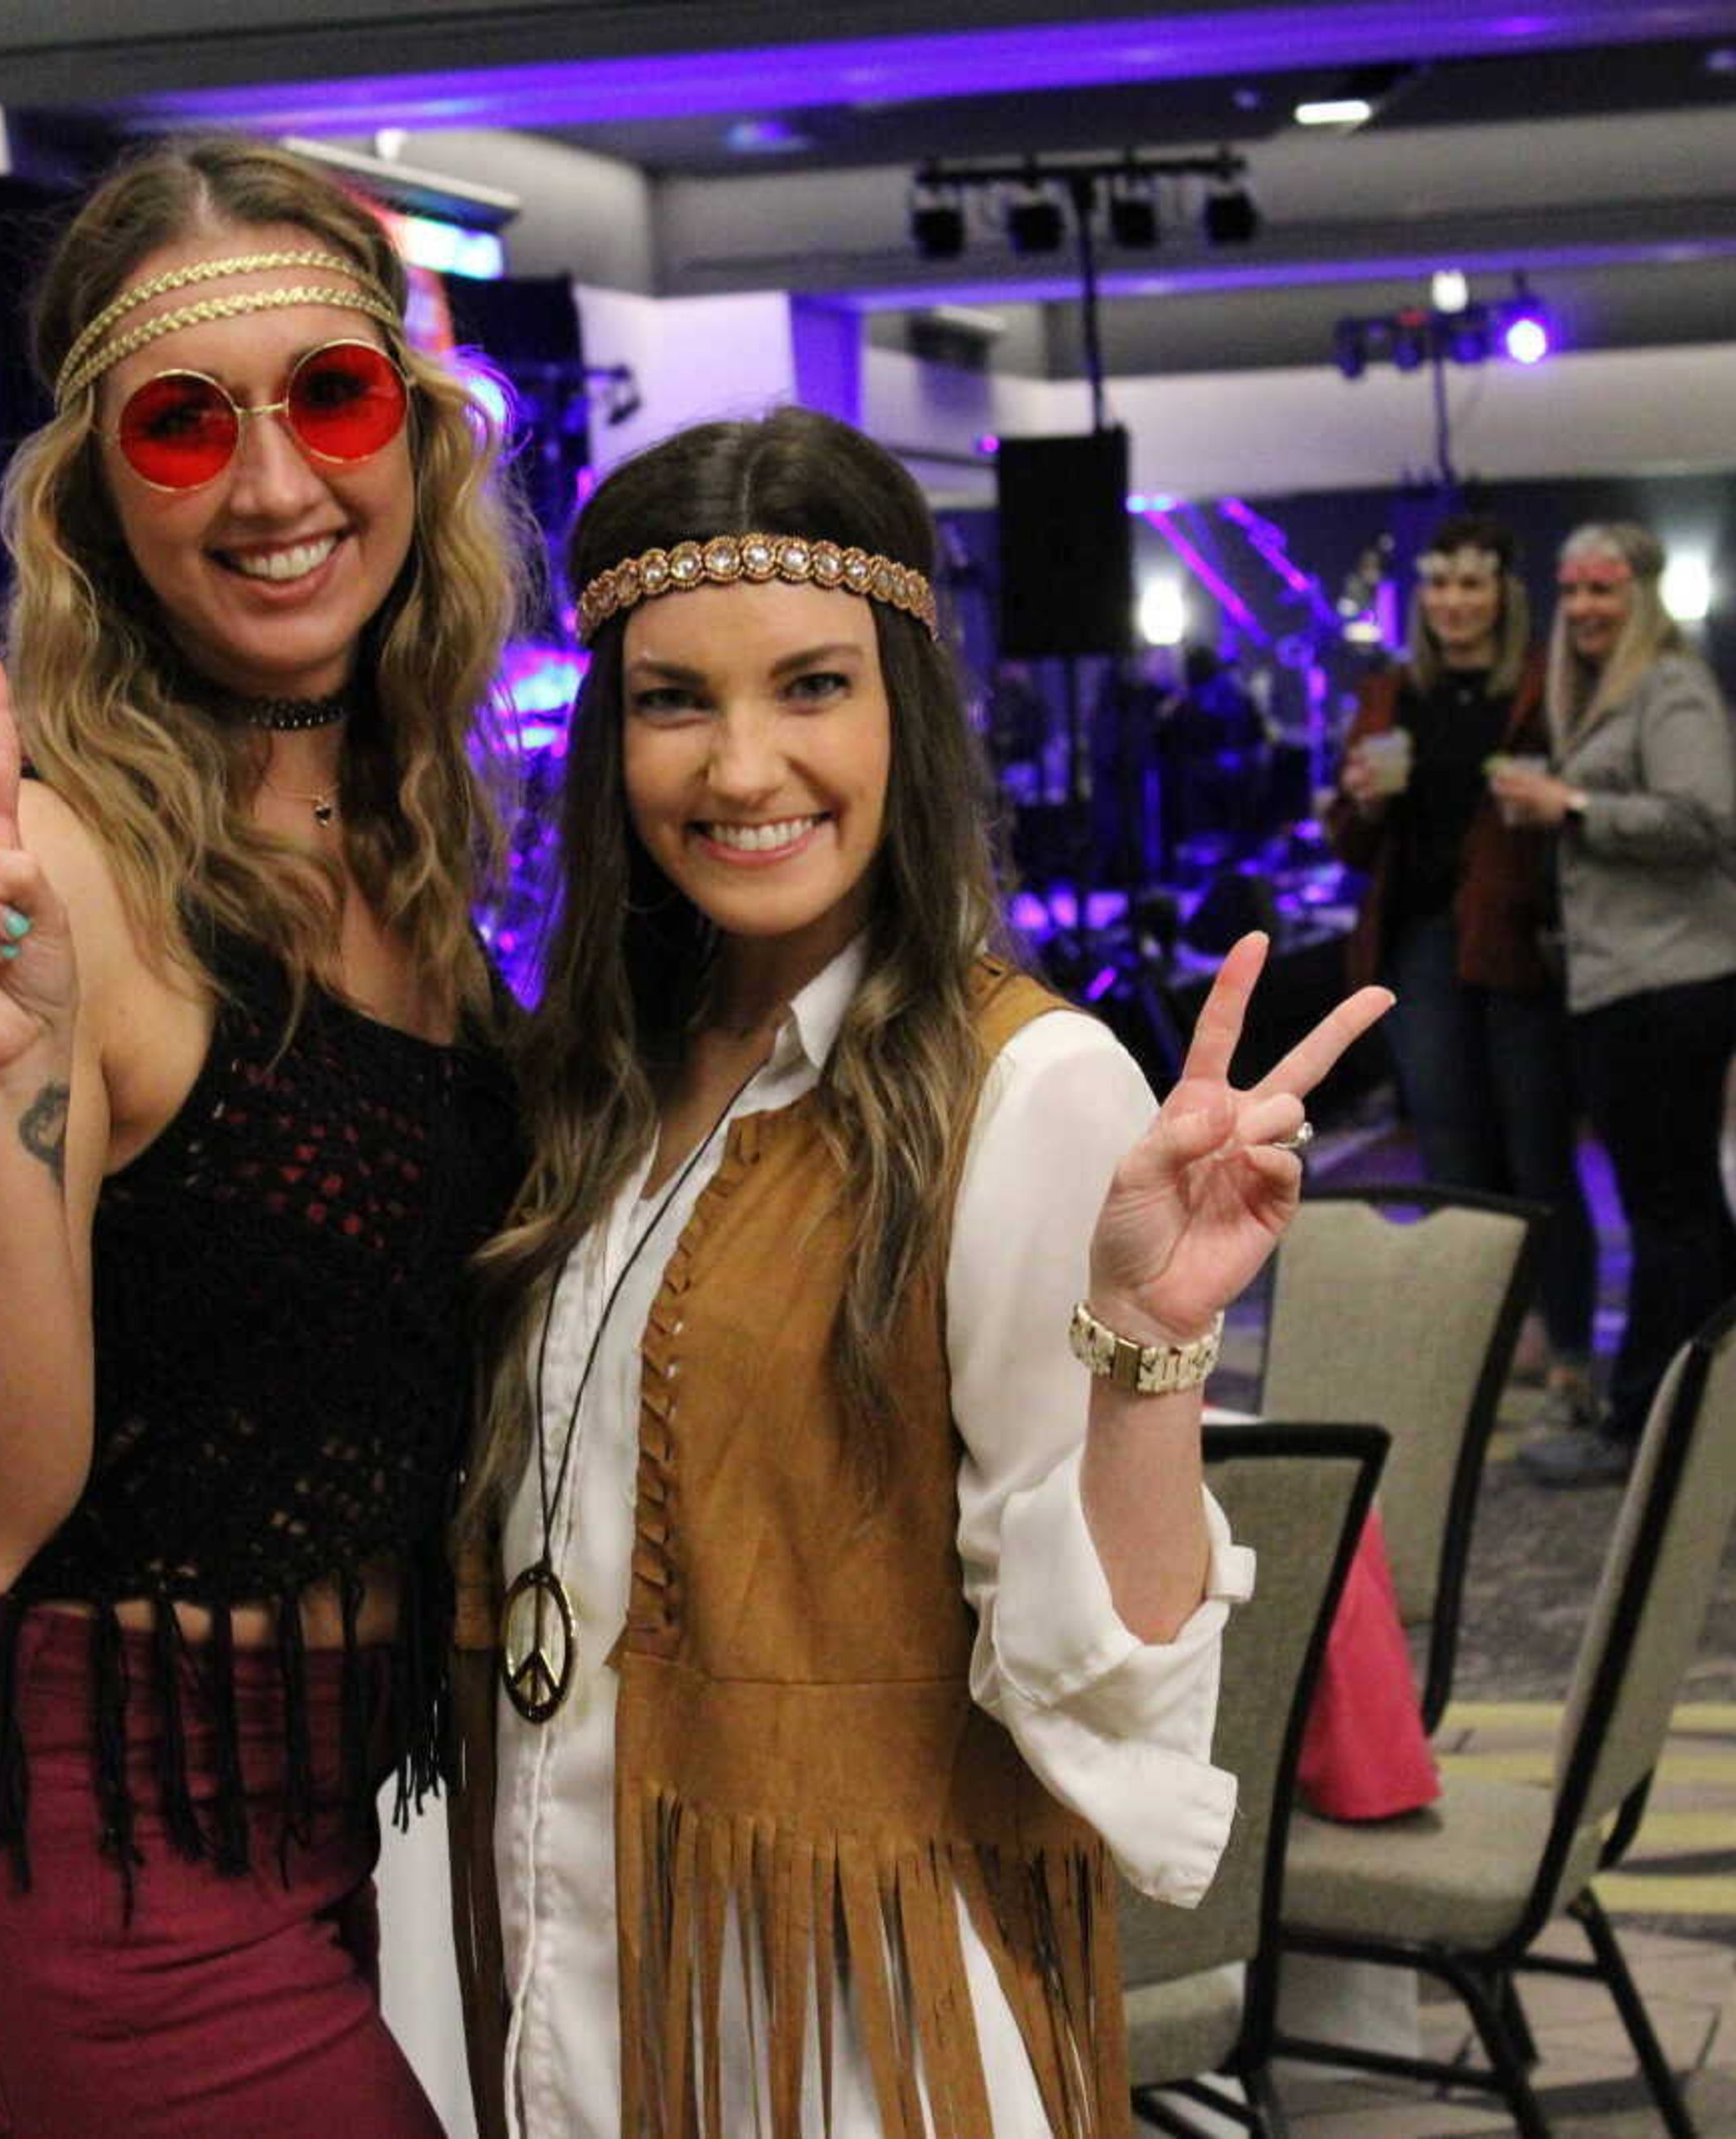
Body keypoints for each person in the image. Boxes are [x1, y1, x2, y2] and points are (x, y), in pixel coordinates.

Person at [450, 409, 1393, 2138]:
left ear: (906, 711)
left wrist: (1153, 1350)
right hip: (581, 1968)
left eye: (811, 685)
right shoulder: (598, 1074)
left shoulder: (1025, 1086)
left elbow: (1101, 1653)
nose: (743, 767)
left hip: (854, 2031)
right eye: (677, 700)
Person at [0, 137, 531, 2136]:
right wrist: (7, 1067)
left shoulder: (407, 838)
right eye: (189, 427)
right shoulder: (39, 879)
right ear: (102, 502)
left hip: (286, 1830)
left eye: (334, 397)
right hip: (61, 1849)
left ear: (416, 438)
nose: (280, 484)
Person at [1490, 524, 1736, 1487]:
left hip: (1672, 978)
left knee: (1666, 1209)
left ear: (1644, 595)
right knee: (1693, 1202)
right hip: (1633, 977)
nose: (1587, 609)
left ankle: (1644, 1417)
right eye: (1572, 592)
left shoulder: (1670, 686)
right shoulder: (1599, 699)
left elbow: (1702, 817)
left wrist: (1569, 807)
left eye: (1605, 590)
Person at [1326, 515, 1599, 1428]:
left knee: (1538, 1149)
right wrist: (1359, 802)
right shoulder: (1392, 693)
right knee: (1452, 1152)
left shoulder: (1543, 687)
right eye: (1439, 584)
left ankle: (1567, 1346)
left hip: (1521, 941)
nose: (1452, 603)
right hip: (1423, 943)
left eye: (1471, 585)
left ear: (1505, 596)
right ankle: (1481, 1340)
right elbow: (1352, 843)